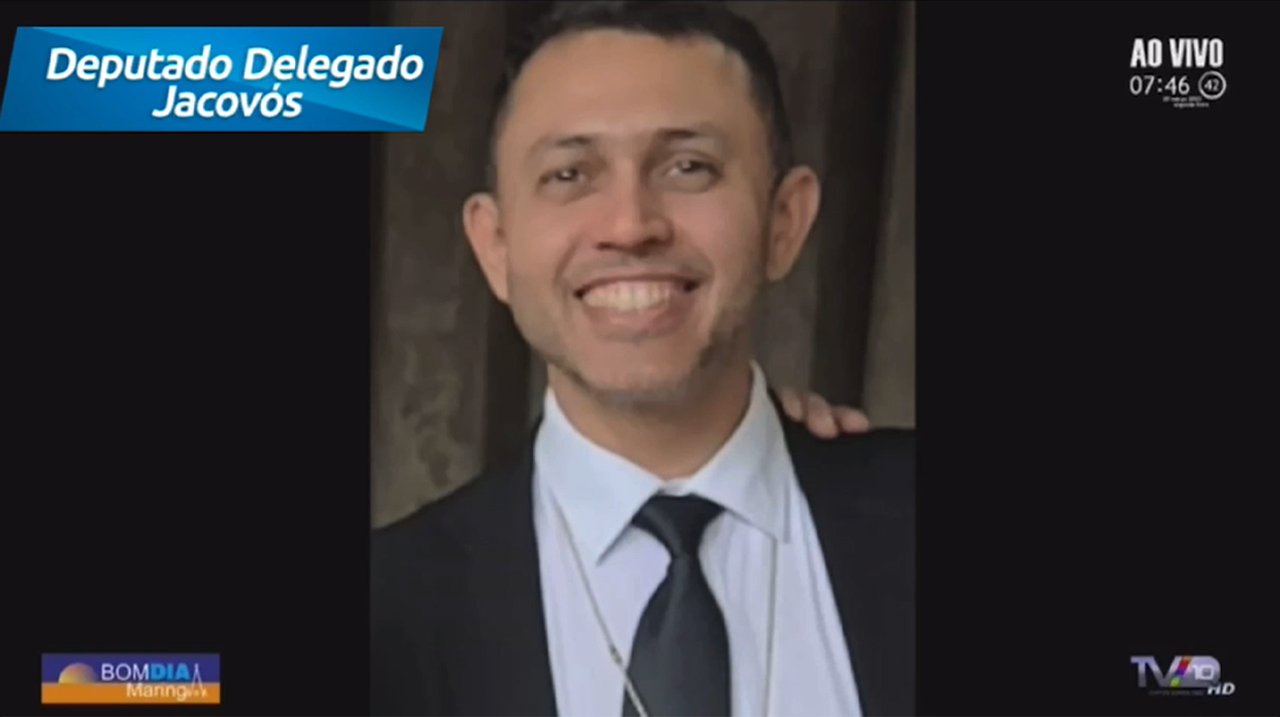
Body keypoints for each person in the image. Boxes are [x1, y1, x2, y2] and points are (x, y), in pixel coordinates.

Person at [371, 2, 914, 715]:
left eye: (689, 167)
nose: (630, 226)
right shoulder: (385, 608)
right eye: (570, 174)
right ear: (495, 246)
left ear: (784, 222)